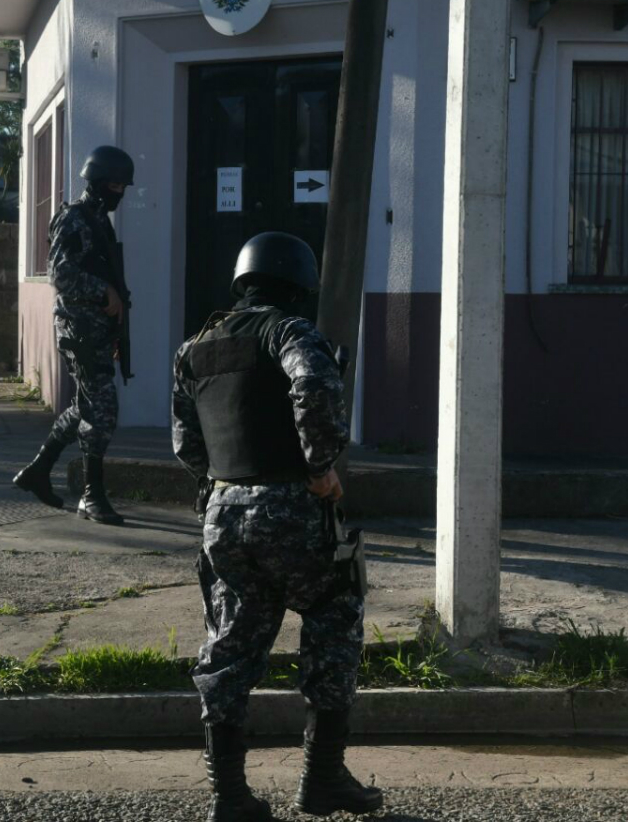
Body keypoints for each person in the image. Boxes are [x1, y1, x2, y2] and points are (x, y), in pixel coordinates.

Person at [171, 231, 383, 821]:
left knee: (230, 649)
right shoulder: (288, 331)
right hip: (287, 505)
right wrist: (320, 466)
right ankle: (322, 781)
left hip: (221, 514)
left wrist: (222, 487)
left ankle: (229, 798)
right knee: (336, 615)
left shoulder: (196, 347)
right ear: (296, 286)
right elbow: (314, 383)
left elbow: (186, 444)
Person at [12, 144, 136, 525]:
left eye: (123, 185)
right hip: (78, 329)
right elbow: (59, 274)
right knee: (103, 410)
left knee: (86, 406)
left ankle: (38, 470)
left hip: (95, 331)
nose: (120, 192)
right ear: (98, 183)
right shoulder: (75, 219)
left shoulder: (99, 220)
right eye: (115, 184)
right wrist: (104, 293)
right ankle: (91, 495)